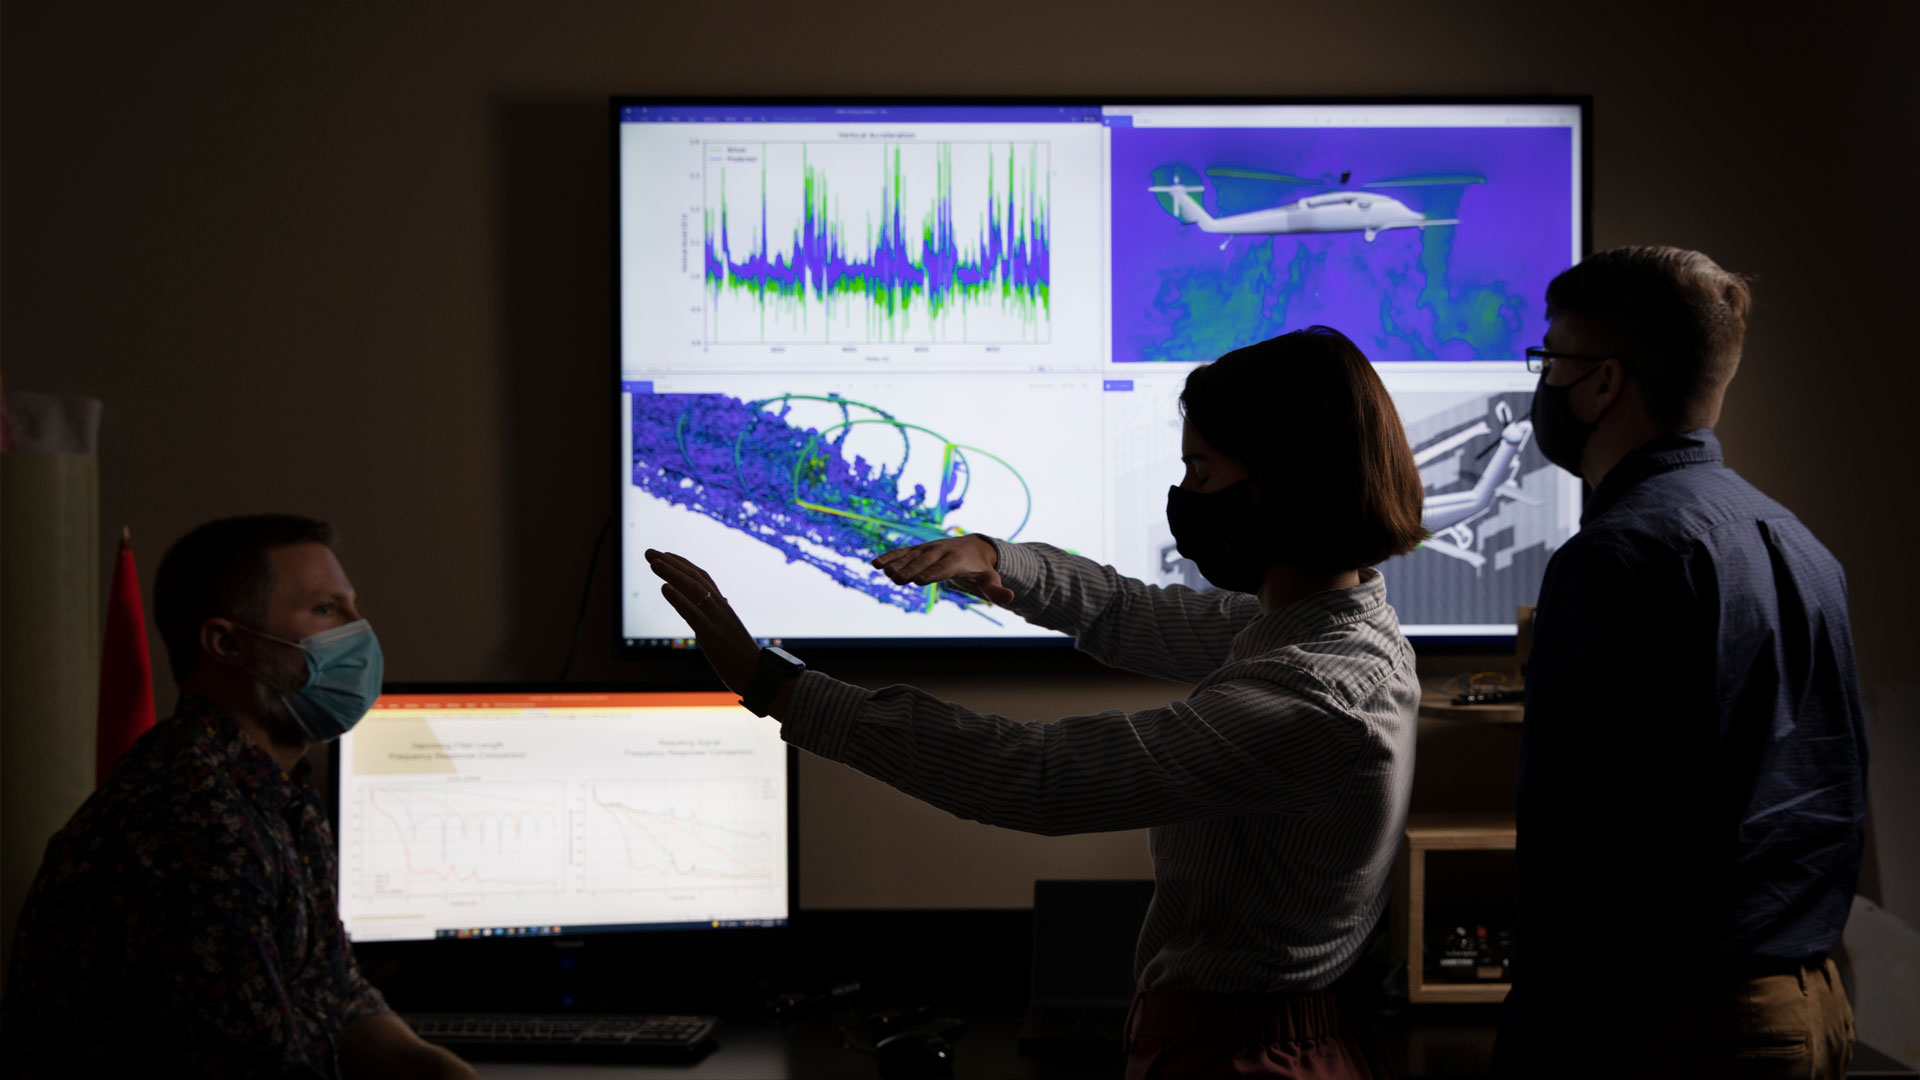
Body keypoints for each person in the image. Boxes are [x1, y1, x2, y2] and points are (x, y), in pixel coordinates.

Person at [647, 326, 1427, 1079]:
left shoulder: (1315, 699)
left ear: (1281, 483)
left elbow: (1042, 775)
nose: (1187, 496)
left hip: (1248, 1055)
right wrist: (994, 559)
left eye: (1201, 473)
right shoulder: (1327, 627)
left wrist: (776, 686)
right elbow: (1128, 612)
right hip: (1241, 1036)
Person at [1494, 247, 1866, 1078]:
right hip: (1810, 1007)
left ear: (1602, 382)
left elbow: (1576, 840)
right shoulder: (1803, 547)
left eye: (1551, 358)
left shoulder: (1617, 558)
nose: (1543, 382)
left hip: (1674, 1025)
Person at [1, 515, 476, 1079]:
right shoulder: (188, 823)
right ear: (226, 643)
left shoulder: (275, 790)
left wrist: (436, 1068)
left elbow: (331, 987)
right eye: (326, 610)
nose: (360, 630)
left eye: (351, 607)